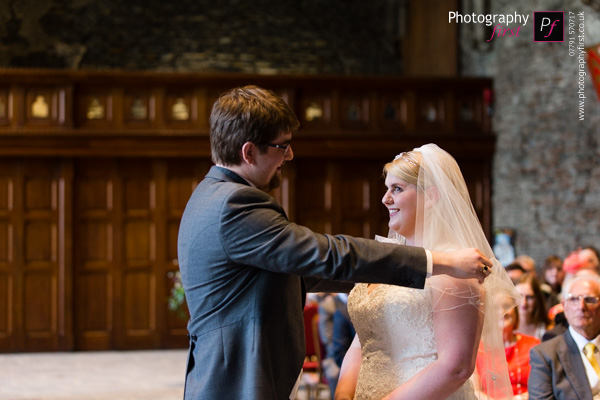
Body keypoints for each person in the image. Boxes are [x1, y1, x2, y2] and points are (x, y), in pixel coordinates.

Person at [177, 87, 493, 400]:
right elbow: (327, 255)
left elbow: (295, 274)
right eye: (282, 146)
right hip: (234, 384)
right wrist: (439, 262)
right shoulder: (235, 204)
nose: (289, 155)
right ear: (248, 153)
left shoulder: (210, 196)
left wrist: (387, 282)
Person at [334, 144, 519, 400]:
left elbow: (455, 368)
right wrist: (343, 395)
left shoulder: (458, 270)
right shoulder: (383, 260)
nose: (385, 199)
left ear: (431, 196)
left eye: (397, 189)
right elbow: (364, 340)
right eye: (387, 189)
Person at [528, 275, 600, 400]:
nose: (581, 307)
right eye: (573, 299)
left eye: (590, 299)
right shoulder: (545, 355)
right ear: (564, 306)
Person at [475, 295, 539, 399]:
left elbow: (541, 386)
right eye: (495, 308)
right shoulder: (477, 350)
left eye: (506, 306)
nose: (502, 311)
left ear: (515, 311)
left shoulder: (533, 345)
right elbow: (475, 391)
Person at [515, 273, 550, 341]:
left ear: (537, 299)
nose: (524, 303)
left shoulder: (547, 330)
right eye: (519, 296)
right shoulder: (505, 328)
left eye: (529, 297)